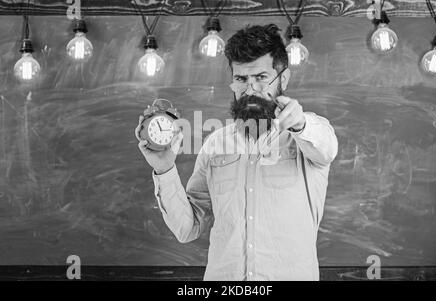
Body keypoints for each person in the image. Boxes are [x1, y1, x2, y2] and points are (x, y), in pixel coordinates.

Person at [136, 24, 338, 281]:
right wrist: (164, 169)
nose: (250, 89)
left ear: (283, 79)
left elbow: (327, 149)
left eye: (261, 77)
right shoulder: (215, 144)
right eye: (241, 79)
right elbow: (188, 228)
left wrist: (300, 124)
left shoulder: (308, 135)